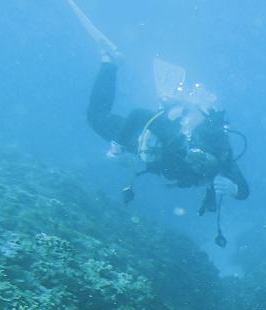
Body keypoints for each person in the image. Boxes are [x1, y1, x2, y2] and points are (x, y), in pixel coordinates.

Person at [87, 55, 249, 215]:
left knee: (96, 116)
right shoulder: (177, 135)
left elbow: (244, 190)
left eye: (202, 164)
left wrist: (233, 189)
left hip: (154, 154)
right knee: (96, 117)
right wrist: (118, 146)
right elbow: (137, 115)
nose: (198, 164)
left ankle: (109, 64)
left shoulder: (222, 153)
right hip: (141, 140)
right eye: (198, 158)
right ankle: (108, 62)